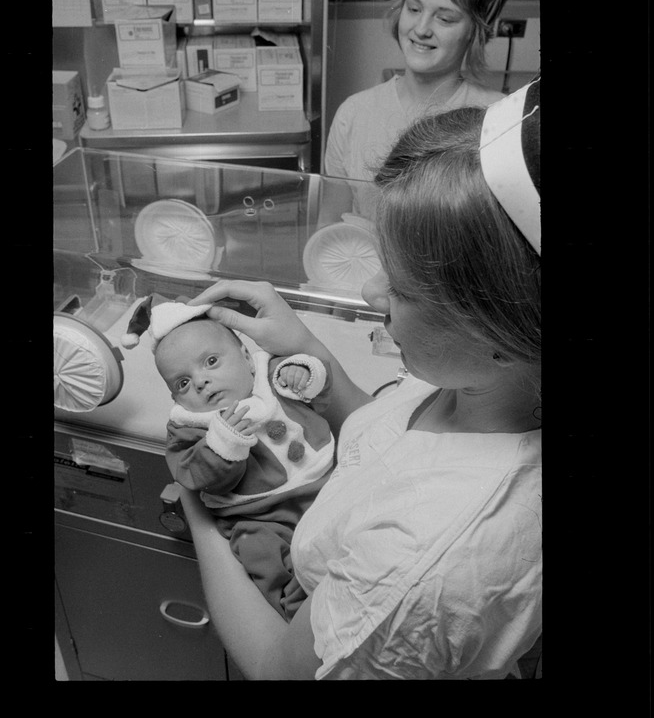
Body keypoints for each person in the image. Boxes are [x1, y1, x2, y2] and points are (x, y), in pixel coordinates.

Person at [178, 76, 541, 679]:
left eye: (397, 287)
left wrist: (199, 512)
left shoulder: (418, 572)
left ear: (495, 332)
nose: (372, 292)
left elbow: (276, 668)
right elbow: (388, 448)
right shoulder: (481, 384)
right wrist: (303, 346)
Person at [120, 293, 335, 621]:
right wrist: (223, 444)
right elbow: (191, 475)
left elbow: (320, 391)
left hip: (322, 481)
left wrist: (305, 375)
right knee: (258, 551)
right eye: (184, 382)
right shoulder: (190, 427)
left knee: (350, 511)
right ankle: (298, 607)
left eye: (210, 362)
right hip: (260, 515)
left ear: (247, 358)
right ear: (175, 397)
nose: (202, 382)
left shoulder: (269, 374)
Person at [323, 0, 511, 223]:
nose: (421, 29)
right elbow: (329, 228)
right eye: (413, 9)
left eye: (445, 19)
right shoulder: (352, 114)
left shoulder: (499, 123)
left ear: (477, 29)